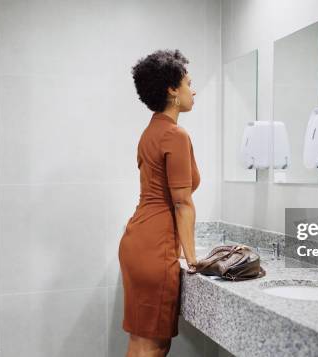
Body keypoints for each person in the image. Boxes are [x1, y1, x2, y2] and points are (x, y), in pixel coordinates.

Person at [119, 49, 200, 357]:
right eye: (188, 83)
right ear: (172, 90)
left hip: (137, 241)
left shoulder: (149, 132)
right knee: (154, 345)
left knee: (142, 342)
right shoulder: (174, 135)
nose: (193, 91)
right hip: (155, 246)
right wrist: (192, 259)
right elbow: (182, 203)